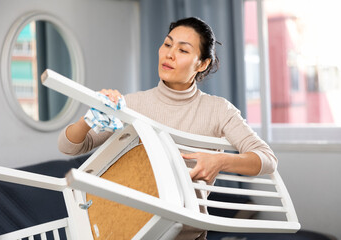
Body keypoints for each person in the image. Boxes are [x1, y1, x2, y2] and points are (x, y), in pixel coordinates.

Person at [58, 17, 277, 240]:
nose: (169, 54)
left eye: (183, 50)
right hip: (130, 231)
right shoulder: (131, 104)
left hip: (185, 234)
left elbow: (267, 159)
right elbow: (69, 147)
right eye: (167, 44)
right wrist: (91, 116)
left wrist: (219, 161)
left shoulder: (219, 110)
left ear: (202, 64)